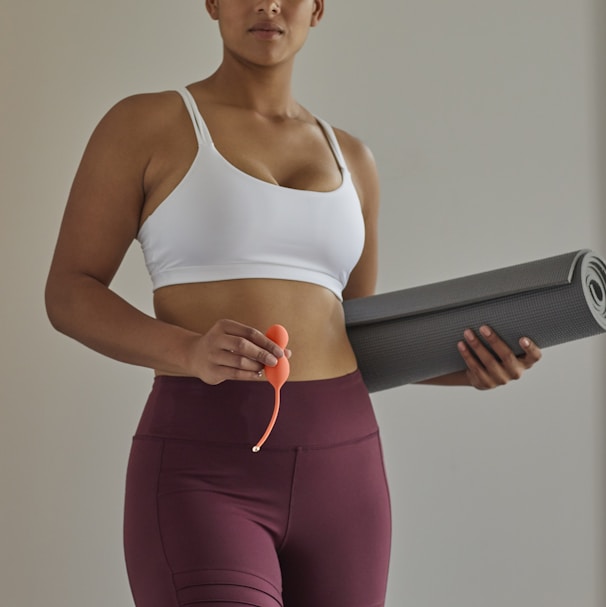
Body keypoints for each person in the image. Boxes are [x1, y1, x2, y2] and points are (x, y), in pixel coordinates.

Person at [45, 1, 542, 606]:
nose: (268, 5)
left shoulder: (353, 159)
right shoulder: (145, 124)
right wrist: (187, 349)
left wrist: (462, 366)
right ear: (212, 3)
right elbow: (70, 291)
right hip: (203, 470)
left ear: (318, 7)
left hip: (347, 476)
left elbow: (358, 336)